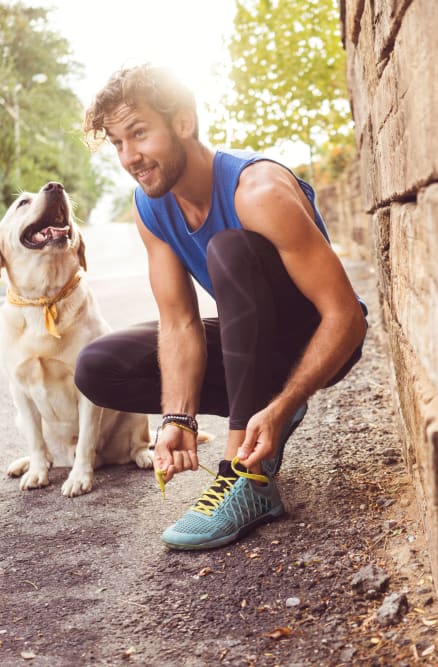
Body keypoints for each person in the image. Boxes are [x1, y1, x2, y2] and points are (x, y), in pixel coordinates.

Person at [76, 64, 368, 550]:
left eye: (140, 133)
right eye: (117, 143)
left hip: (316, 339)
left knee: (229, 250)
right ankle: (257, 414)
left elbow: (348, 318)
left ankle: (245, 477)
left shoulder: (258, 191)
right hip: (251, 339)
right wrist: (178, 418)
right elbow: (179, 322)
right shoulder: (150, 206)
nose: (130, 156)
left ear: (183, 122)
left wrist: (284, 404)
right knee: (98, 367)